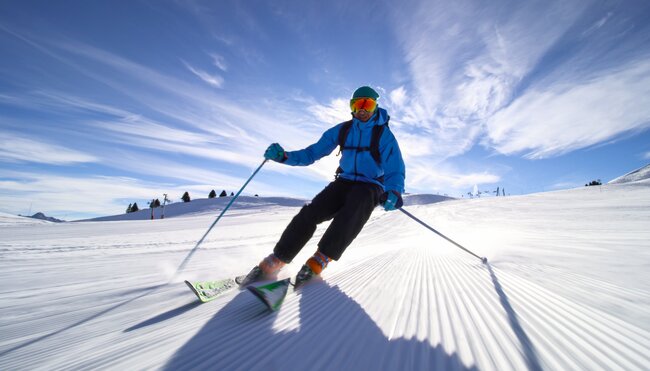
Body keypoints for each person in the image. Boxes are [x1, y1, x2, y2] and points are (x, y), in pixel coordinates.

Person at [239, 86, 406, 288]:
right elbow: (312, 153)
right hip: (344, 181)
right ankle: (277, 259)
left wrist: (394, 190)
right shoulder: (343, 130)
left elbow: (394, 167)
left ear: (375, 107)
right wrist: (284, 157)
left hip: (370, 185)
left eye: (367, 104)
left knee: (352, 211)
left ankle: (319, 260)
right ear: (351, 107)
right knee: (310, 213)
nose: (362, 109)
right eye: (357, 104)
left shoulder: (384, 135)